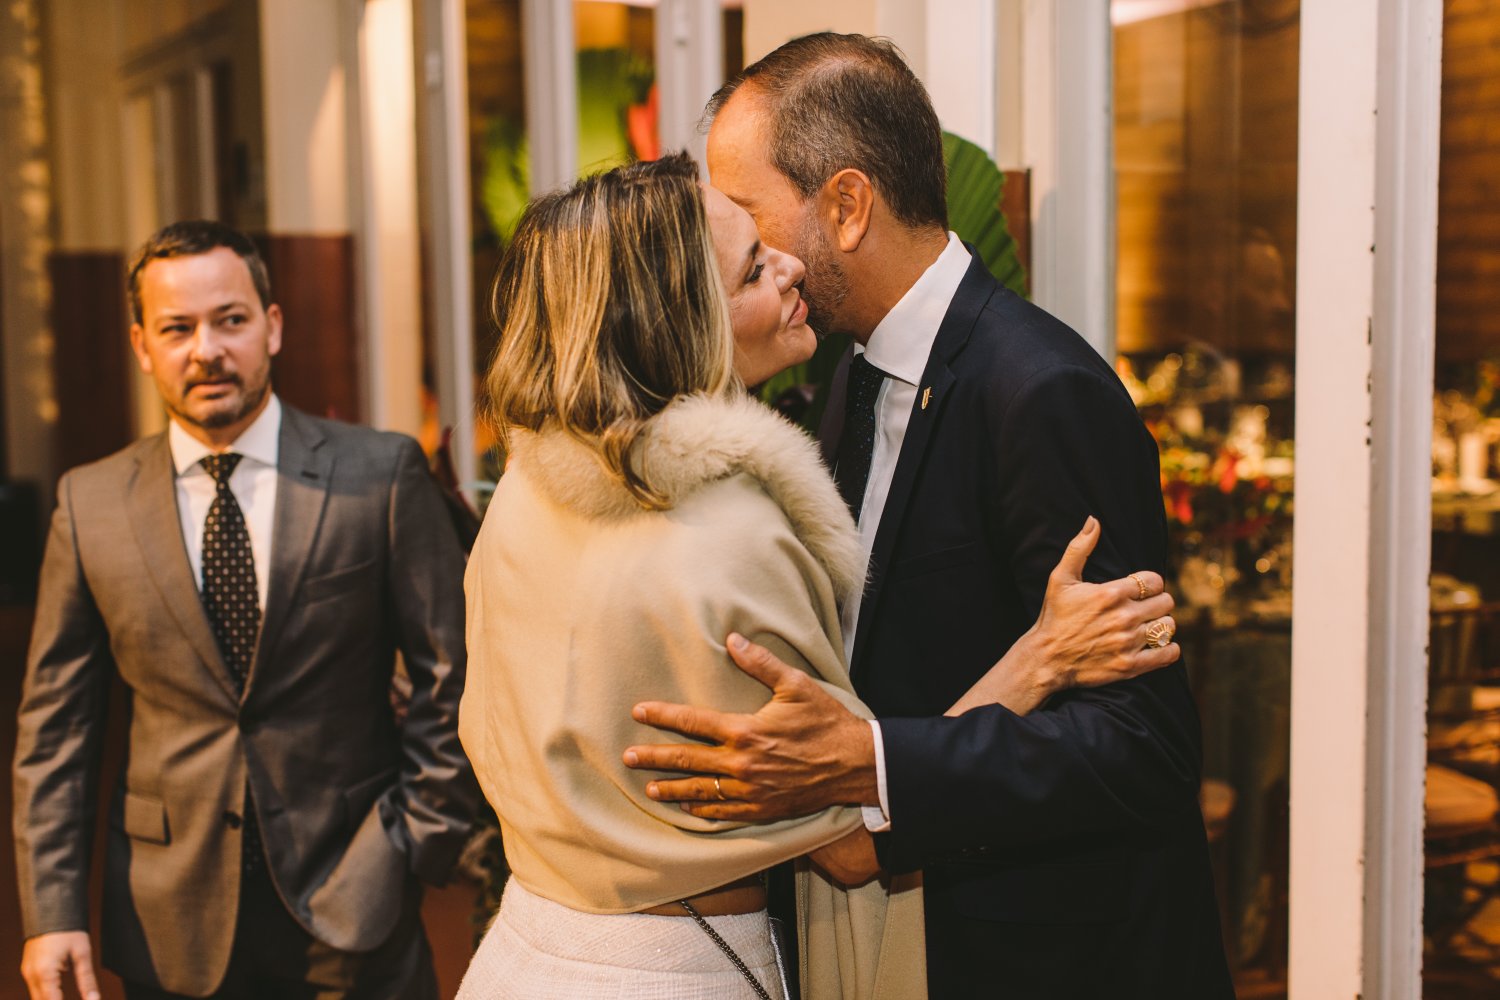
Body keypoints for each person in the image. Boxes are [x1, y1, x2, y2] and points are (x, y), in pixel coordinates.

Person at [456, 152, 1179, 1000]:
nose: (789, 265)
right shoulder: (730, 541)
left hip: (525, 952)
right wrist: (1040, 660)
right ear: (685, 325)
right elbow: (850, 842)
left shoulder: (529, 487)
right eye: (752, 269)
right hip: (677, 973)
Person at [623, 33, 1234, 999]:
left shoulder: (1043, 392)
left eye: (748, 212)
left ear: (847, 206)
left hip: (1047, 959)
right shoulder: (853, 374)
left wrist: (873, 767)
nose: (734, 245)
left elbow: (1140, 744)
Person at [13, 221, 478, 1000]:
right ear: (141, 345)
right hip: (169, 920)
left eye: (230, 319)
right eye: (177, 328)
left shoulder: (379, 474)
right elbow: (57, 732)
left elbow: (451, 672)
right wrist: (52, 911)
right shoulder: (88, 505)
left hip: (358, 899)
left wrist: (418, 842)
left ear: (273, 326)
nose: (206, 350)